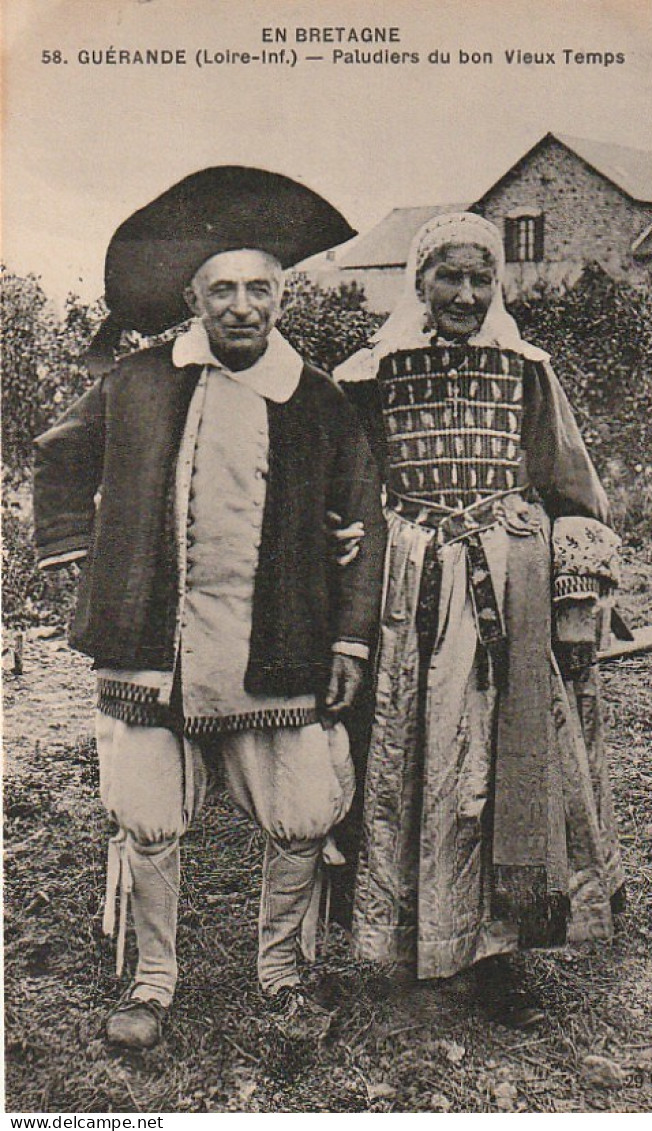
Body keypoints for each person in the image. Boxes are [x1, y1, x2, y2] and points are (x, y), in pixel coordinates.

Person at [33, 167, 386, 1050]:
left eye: (258, 288)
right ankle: (151, 984)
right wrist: (77, 549)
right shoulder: (140, 381)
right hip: (152, 646)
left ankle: (281, 975)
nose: (241, 307)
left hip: (278, 646)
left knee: (305, 809)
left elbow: (361, 517)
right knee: (147, 817)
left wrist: (347, 635)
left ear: (281, 295)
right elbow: (61, 453)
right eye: (221, 289)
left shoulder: (317, 400)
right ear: (194, 298)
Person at [335, 212, 624, 1021]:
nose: (465, 294)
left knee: (502, 772)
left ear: (497, 285)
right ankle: (414, 956)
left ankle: (499, 958)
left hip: (509, 591)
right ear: (418, 279)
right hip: (406, 596)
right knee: (410, 763)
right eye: (448, 277)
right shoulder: (367, 376)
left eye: (481, 279)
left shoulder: (527, 370)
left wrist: (574, 598)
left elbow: (574, 491)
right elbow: (341, 491)